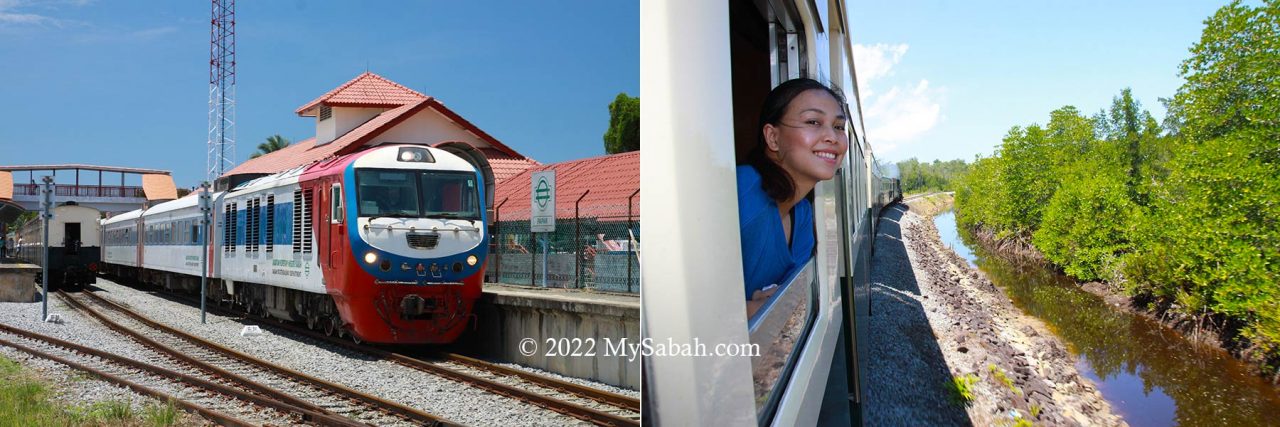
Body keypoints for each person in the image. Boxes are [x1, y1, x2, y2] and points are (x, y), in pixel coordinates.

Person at [739, 78, 849, 307]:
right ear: (773, 137)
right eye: (813, 121)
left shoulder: (802, 214)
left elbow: (789, 301)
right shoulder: (740, 191)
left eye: (839, 126)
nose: (832, 136)